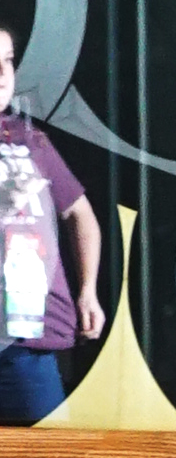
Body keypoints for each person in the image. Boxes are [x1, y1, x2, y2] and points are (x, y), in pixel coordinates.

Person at [0, 23, 105, 421]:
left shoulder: (29, 139)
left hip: (29, 341)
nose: (2, 75)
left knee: (50, 455)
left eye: (8, 61)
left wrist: (88, 291)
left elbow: (80, 213)